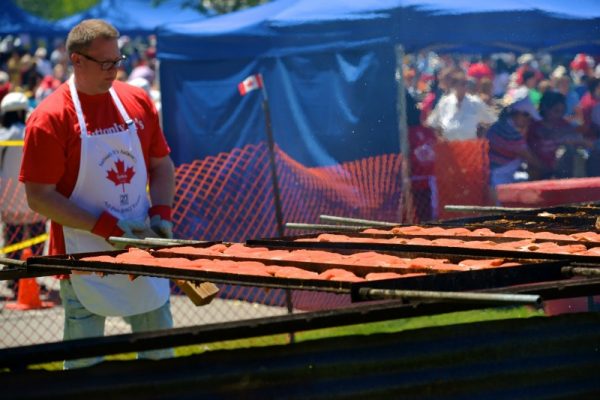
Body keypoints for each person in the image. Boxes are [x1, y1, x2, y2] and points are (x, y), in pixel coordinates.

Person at [19, 19, 176, 369]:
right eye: (105, 63)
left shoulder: (136, 100)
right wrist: (107, 227)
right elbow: (40, 197)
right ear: (76, 60)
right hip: (83, 258)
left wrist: (161, 215)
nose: (114, 71)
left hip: (142, 248)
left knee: (161, 363)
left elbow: (162, 165)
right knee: (83, 371)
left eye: (117, 61)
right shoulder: (49, 118)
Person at [486, 87, 546, 202]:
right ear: (519, 114)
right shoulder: (510, 133)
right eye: (528, 116)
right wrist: (548, 170)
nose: (529, 121)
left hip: (498, 177)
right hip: (496, 180)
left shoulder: (501, 125)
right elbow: (530, 157)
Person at [527, 91, 591, 180]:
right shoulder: (533, 127)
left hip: (561, 174)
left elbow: (579, 139)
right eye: (556, 111)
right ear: (545, 108)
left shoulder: (563, 124)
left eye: (562, 111)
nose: (559, 115)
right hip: (539, 173)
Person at [426, 69, 497, 141]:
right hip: (449, 147)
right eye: (463, 84)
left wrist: (482, 137)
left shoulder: (475, 102)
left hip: (470, 147)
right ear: (454, 86)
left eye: (467, 83)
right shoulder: (445, 102)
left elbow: (492, 121)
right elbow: (432, 123)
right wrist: (440, 138)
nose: (466, 86)